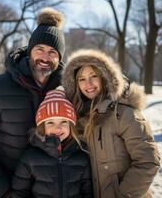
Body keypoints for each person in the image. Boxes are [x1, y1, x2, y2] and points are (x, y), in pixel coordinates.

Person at [0, 7, 65, 198]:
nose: (45, 57)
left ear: (59, 59)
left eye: (52, 52)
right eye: (40, 49)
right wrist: (4, 192)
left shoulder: (67, 92)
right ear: (29, 51)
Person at [62, 49, 160, 198]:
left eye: (93, 76)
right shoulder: (78, 118)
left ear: (104, 77)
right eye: (81, 79)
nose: (88, 83)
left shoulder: (124, 114)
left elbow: (148, 161)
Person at [10, 88, 93, 197]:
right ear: (42, 126)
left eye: (64, 121)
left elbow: (87, 193)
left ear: (71, 126)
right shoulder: (30, 158)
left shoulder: (81, 157)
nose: (58, 128)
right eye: (50, 122)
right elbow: (19, 193)